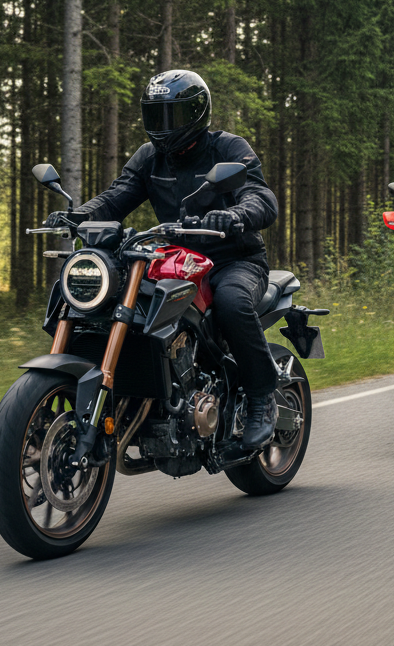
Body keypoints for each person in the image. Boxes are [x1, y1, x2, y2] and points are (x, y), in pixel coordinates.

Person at [45, 69, 281, 449]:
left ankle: (261, 397)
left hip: (234, 260)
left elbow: (261, 197)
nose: (162, 126)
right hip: (177, 259)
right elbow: (116, 197)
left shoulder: (229, 149)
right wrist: (79, 215)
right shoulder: (149, 158)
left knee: (232, 303)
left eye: (171, 116)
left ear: (195, 114)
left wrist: (237, 215)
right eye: (156, 116)